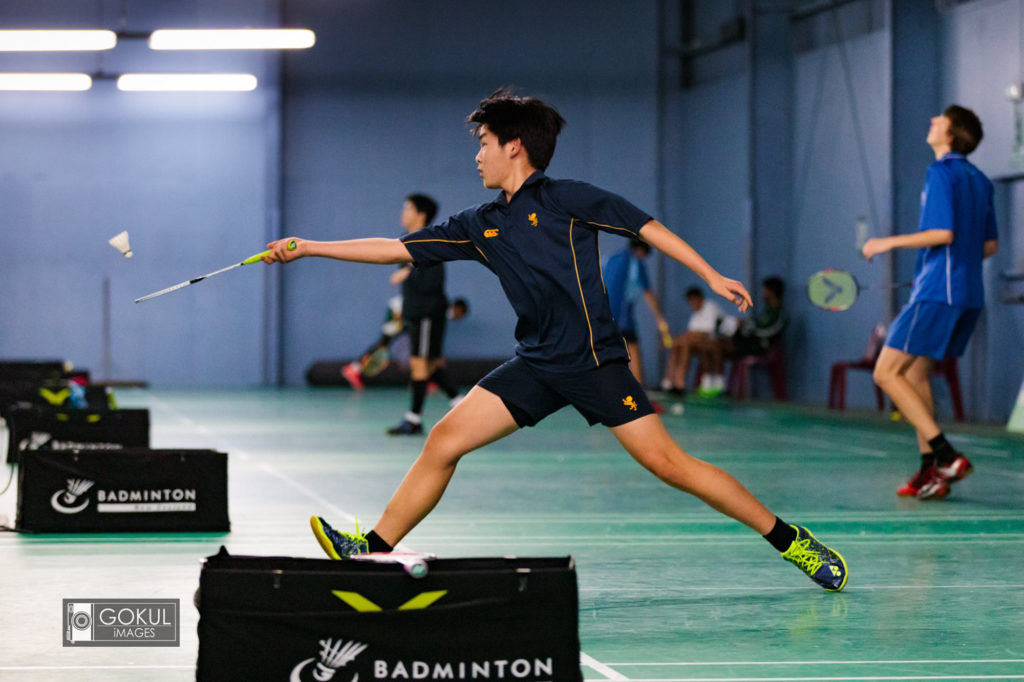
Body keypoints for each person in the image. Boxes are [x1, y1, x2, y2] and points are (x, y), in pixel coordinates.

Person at [264, 88, 847, 591]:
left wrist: (712, 276)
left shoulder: (570, 199)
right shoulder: (481, 223)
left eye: (484, 142)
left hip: (595, 362)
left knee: (669, 464)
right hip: (536, 363)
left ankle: (790, 540)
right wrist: (311, 246)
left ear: (514, 145)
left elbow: (649, 228)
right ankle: (374, 546)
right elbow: (397, 248)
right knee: (443, 439)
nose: (477, 155)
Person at [862, 105, 997, 500]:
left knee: (886, 373)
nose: (932, 121)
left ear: (950, 136)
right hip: (968, 294)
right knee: (916, 376)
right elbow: (989, 245)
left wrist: (886, 242)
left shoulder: (940, 172)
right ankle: (930, 473)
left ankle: (946, 454)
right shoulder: (981, 180)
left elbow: (942, 233)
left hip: (938, 291)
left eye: (939, 120)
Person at [386, 194, 464, 435]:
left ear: (421, 214)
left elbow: (433, 284)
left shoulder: (428, 242)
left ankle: (414, 420)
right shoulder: (408, 243)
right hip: (416, 315)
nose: (403, 212)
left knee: (420, 366)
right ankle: (459, 403)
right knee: (429, 366)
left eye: (407, 207)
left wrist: (409, 272)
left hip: (427, 315)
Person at [698, 275, 788, 396]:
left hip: (758, 348)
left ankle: (720, 385)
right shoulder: (767, 310)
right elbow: (756, 327)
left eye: (765, 290)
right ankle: (708, 382)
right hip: (746, 343)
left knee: (716, 346)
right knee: (709, 345)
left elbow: (767, 331)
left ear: (772, 291)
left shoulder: (780, 313)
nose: (763, 292)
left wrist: (746, 325)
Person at [603, 239, 670, 386]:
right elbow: (648, 293)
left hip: (603, 314)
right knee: (633, 352)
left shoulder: (613, 258)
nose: (642, 259)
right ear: (640, 251)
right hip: (621, 317)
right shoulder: (634, 261)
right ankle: (641, 397)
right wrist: (659, 318)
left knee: (610, 354)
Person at [661, 287, 725, 395]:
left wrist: (676, 341)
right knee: (679, 345)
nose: (691, 303)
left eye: (693, 300)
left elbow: (703, 335)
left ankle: (680, 383)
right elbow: (690, 333)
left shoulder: (710, 307)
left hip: (724, 343)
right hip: (705, 344)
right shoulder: (696, 313)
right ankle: (668, 382)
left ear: (700, 298)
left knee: (684, 344)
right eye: (689, 301)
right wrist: (675, 342)